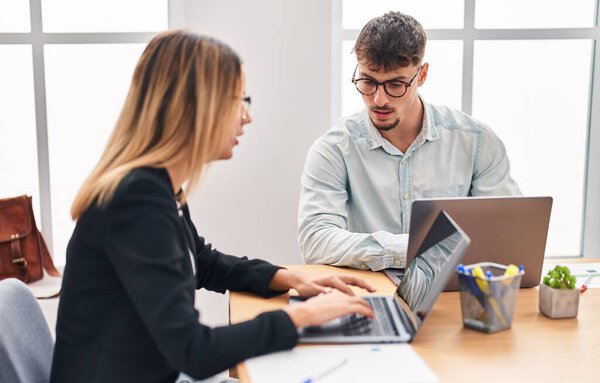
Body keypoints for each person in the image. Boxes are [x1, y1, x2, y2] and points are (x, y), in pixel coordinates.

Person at [49, 30, 376, 383]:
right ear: (195, 109)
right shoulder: (135, 202)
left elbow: (202, 262)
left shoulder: (157, 187)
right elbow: (194, 351)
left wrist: (294, 279)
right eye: (238, 101)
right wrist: (301, 318)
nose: (246, 117)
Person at [298, 11, 521, 271]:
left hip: (452, 294)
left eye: (396, 84)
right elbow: (315, 240)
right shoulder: (334, 149)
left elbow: (508, 233)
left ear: (422, 75)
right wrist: (407, 248)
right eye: (368, 81)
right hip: (372, 293)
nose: (379, 99)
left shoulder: (476, 142)